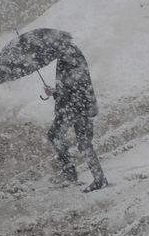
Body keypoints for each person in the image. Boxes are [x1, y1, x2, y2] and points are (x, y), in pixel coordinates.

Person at [45, 42, 108, 192]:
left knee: (55, 135)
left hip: (72, 109)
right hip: (81, 106)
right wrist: (55, 92)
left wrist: (56, 93)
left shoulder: (68, 60)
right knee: (83, 143)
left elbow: (71, 89)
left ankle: (70, 172)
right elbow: (73, 87)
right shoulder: (72, 57)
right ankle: (98, 178)